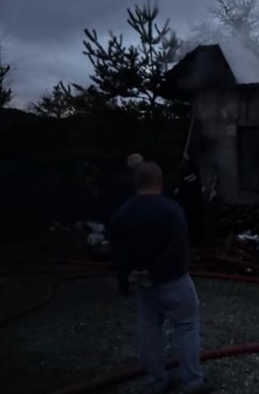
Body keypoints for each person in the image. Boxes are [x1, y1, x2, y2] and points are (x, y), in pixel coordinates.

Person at [110, 162, 209, 394]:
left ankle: (156, 381)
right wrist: (155, 270)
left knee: (149, 330)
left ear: (136, 182)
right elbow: (177, 246)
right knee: (186, 326)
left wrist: (126, 278)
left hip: (142, 284)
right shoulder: (170, 210)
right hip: (172, 279)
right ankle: (192, 382)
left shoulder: (122, 213)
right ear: (160, 181)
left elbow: (117, 250)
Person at [174, 156, 204, 246]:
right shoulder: (190, 174)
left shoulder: (188, 175)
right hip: (191, 205)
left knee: (193, 225)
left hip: (190, 205)